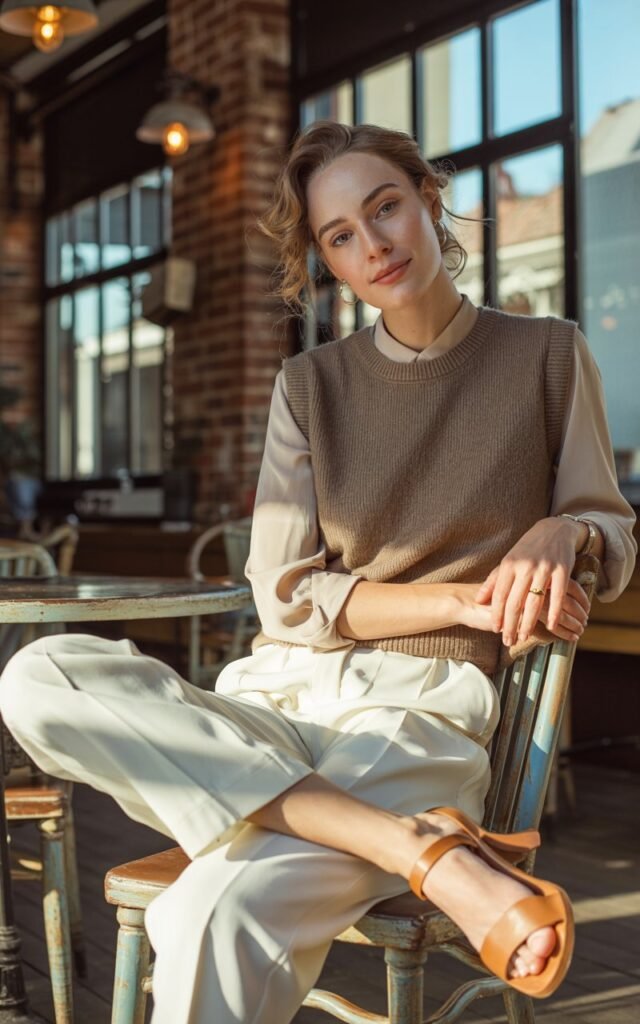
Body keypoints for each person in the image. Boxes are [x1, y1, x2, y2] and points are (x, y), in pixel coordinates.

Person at [0, 121, 636, 1024]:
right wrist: (463, 595)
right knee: (38, 674)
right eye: (340, 234)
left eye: (385, 208)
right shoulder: (308, 387)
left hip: (424, 708)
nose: (372, 244)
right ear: (325, 260)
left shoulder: (546, 354)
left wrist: (564, 530)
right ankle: (425, 851)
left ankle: (403, 835)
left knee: (209, 907)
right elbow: (287, 598)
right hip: (281, 701)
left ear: (428, 197)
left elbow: (613, 533)